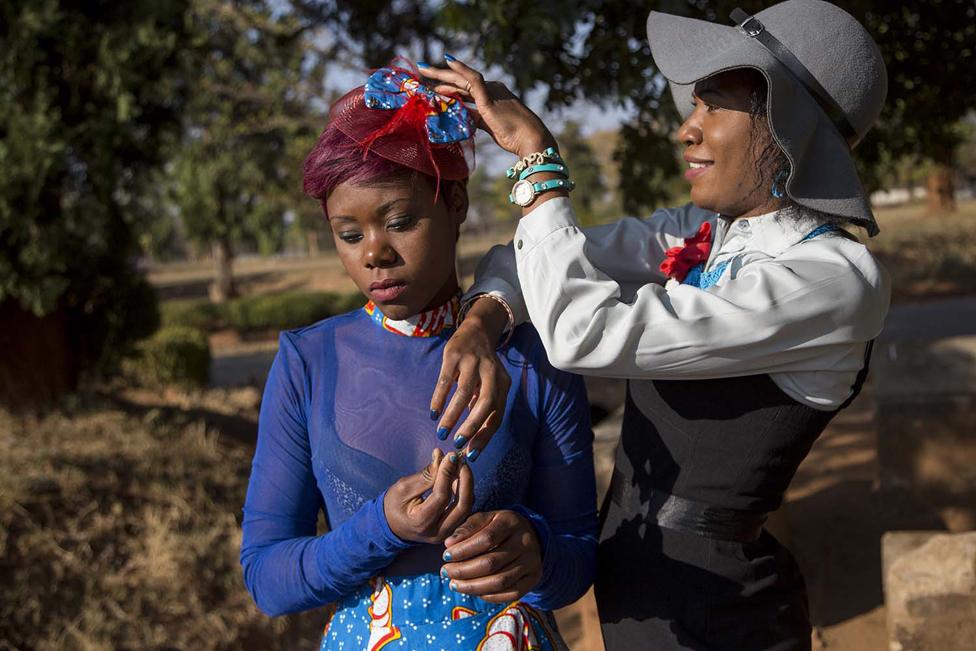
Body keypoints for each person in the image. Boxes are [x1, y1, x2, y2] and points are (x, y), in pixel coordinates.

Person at [419, 1, 890, 648]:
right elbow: (527, 261)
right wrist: (483, 320)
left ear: (791, 128)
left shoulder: (833, 277)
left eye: (714, 106)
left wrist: (538, 161)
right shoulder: (699, 233)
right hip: (642, 587)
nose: (686, 130)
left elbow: (583, 330)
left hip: (716, 612)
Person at [239, 62, 598, 650]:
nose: (375, 254)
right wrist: (380, 526)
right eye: (348, 235)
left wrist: (532, 549)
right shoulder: (308, 362)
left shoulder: (537, 361)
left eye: (400, 221)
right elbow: (268, 581)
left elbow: (579, 560)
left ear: (454, 203)